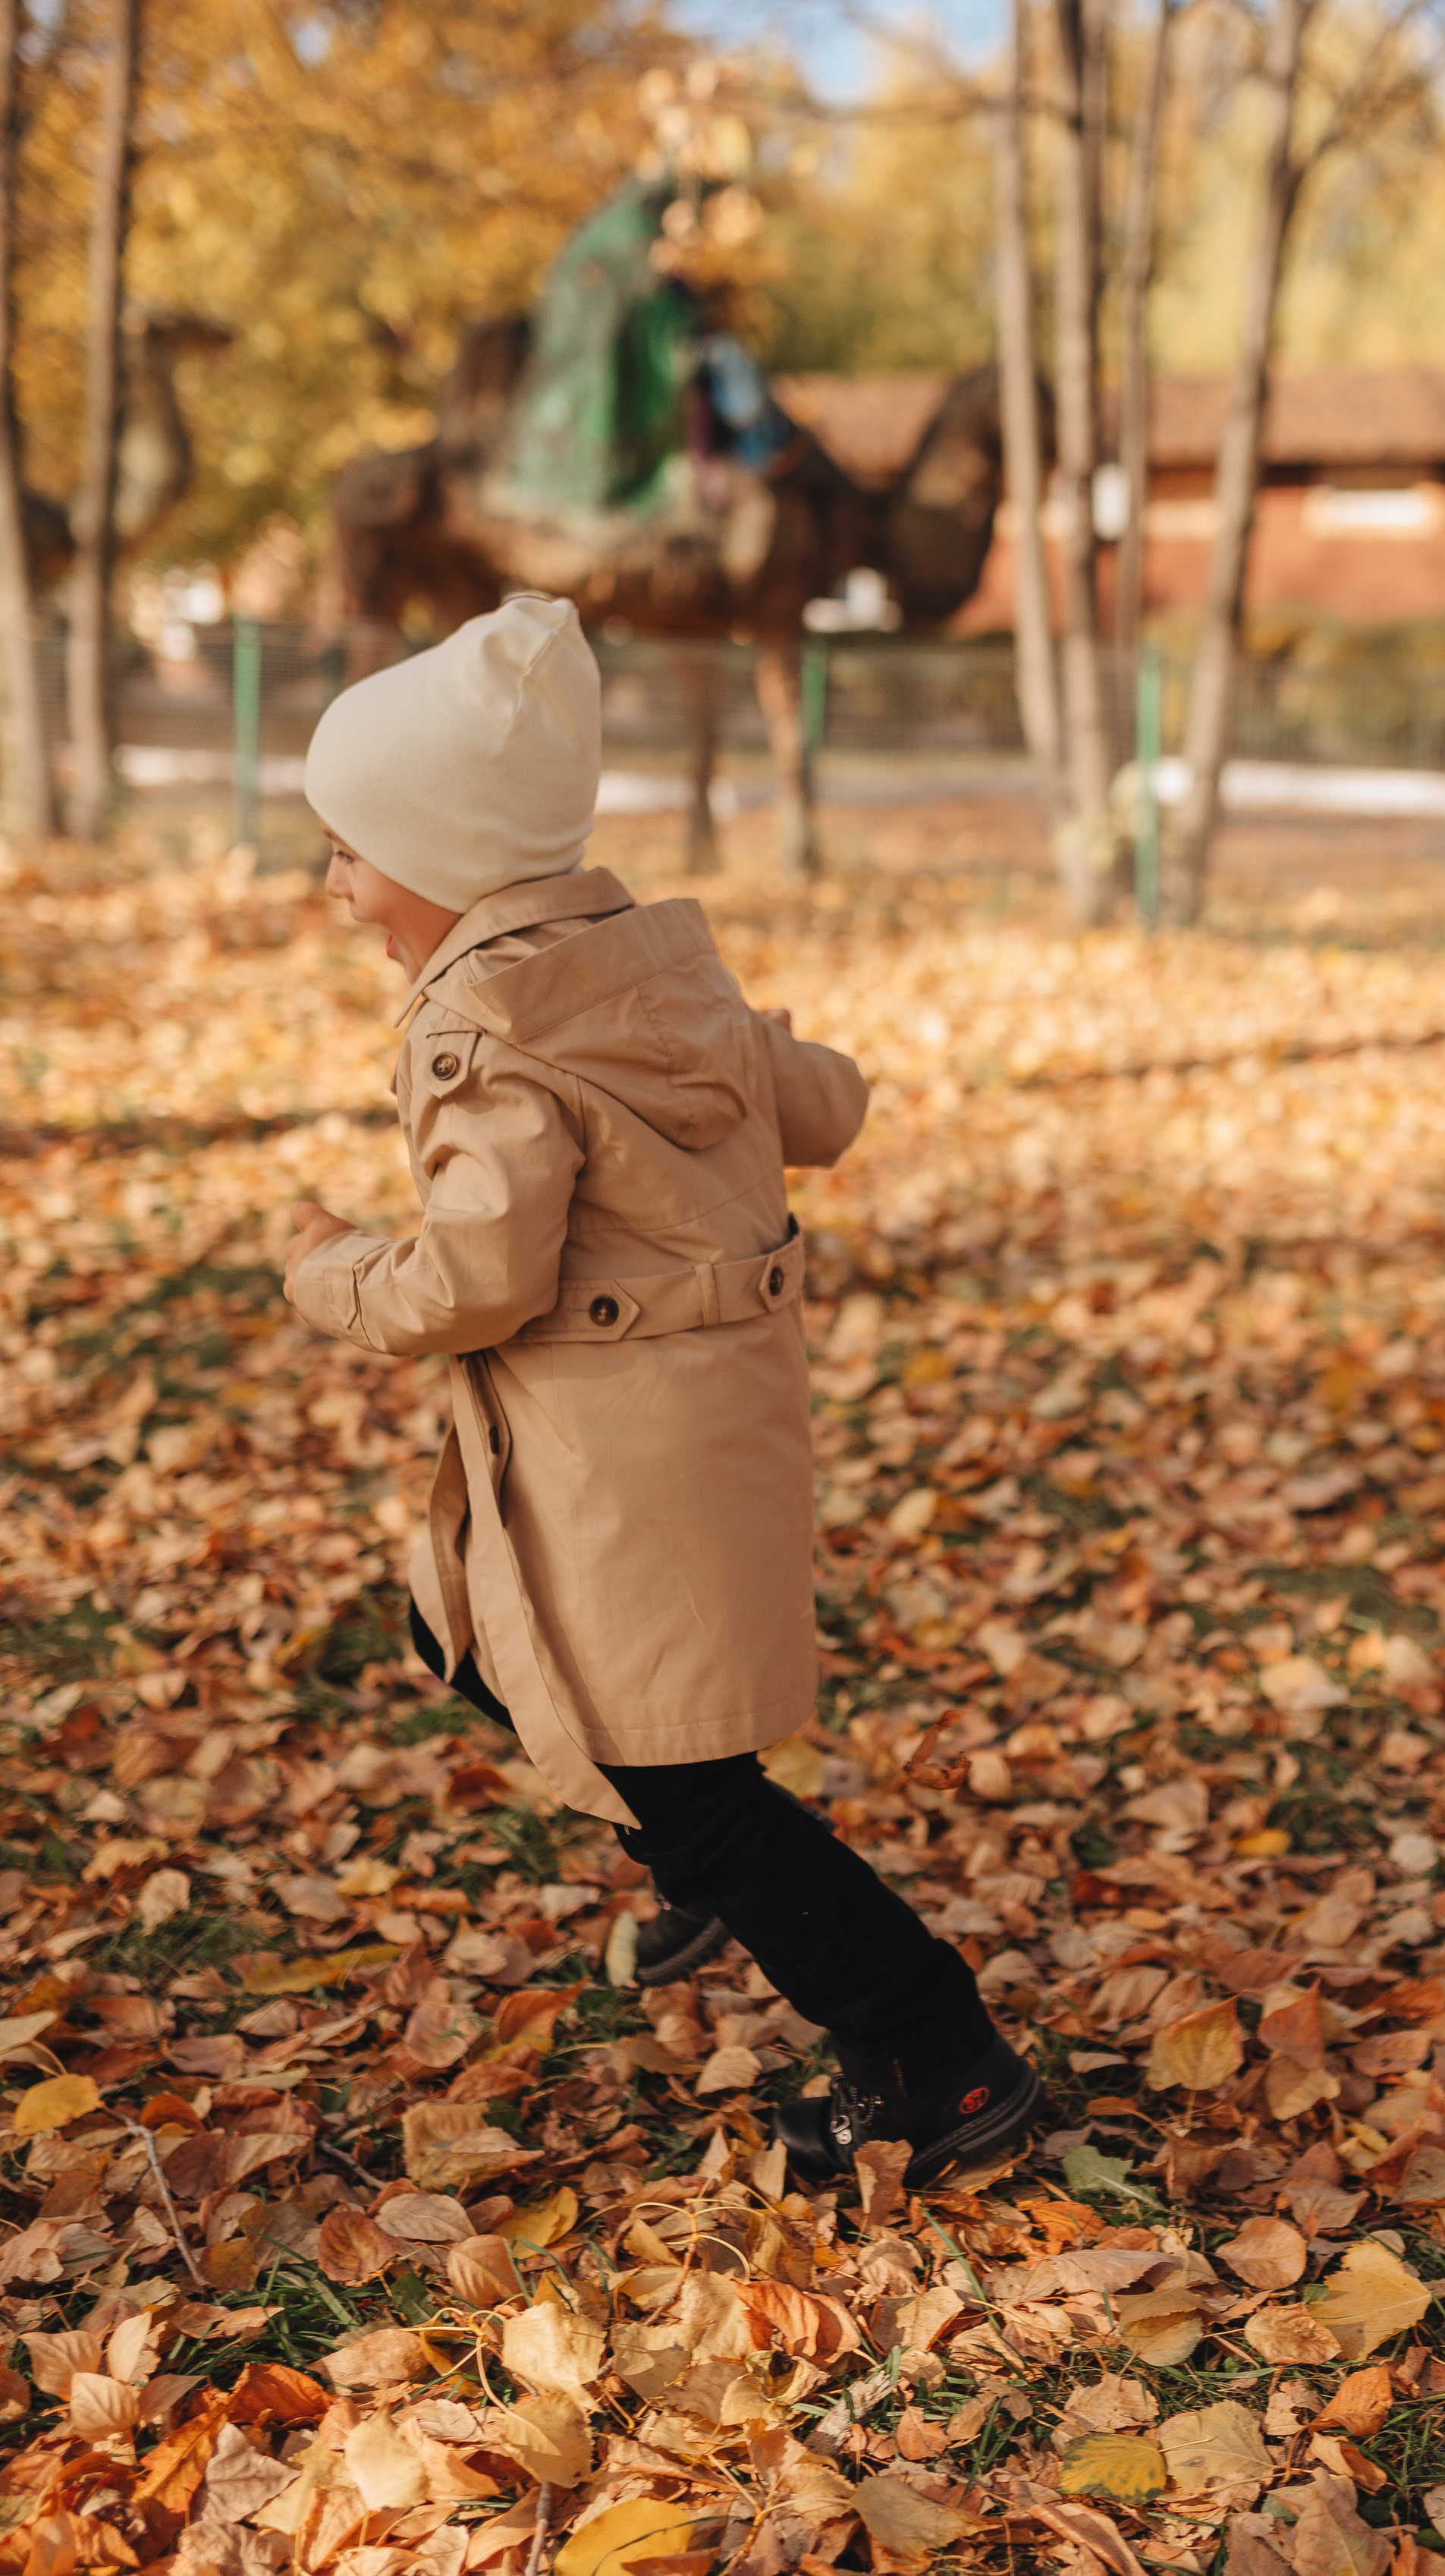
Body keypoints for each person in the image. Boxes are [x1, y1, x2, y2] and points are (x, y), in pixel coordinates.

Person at [283, 592, 1041, 2188]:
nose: (335, 883)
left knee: (687, 1780)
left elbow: (476, 1276)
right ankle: (691, 1849)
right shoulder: (649, 960)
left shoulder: (486, 1026)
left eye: (349, 848)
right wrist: (725, 1034)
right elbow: (821, 1104)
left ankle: (938, 2058)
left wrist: (331, 1265)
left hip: (616, 1451)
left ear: (438, 856)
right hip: (709, 1415)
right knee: (472, 1632)